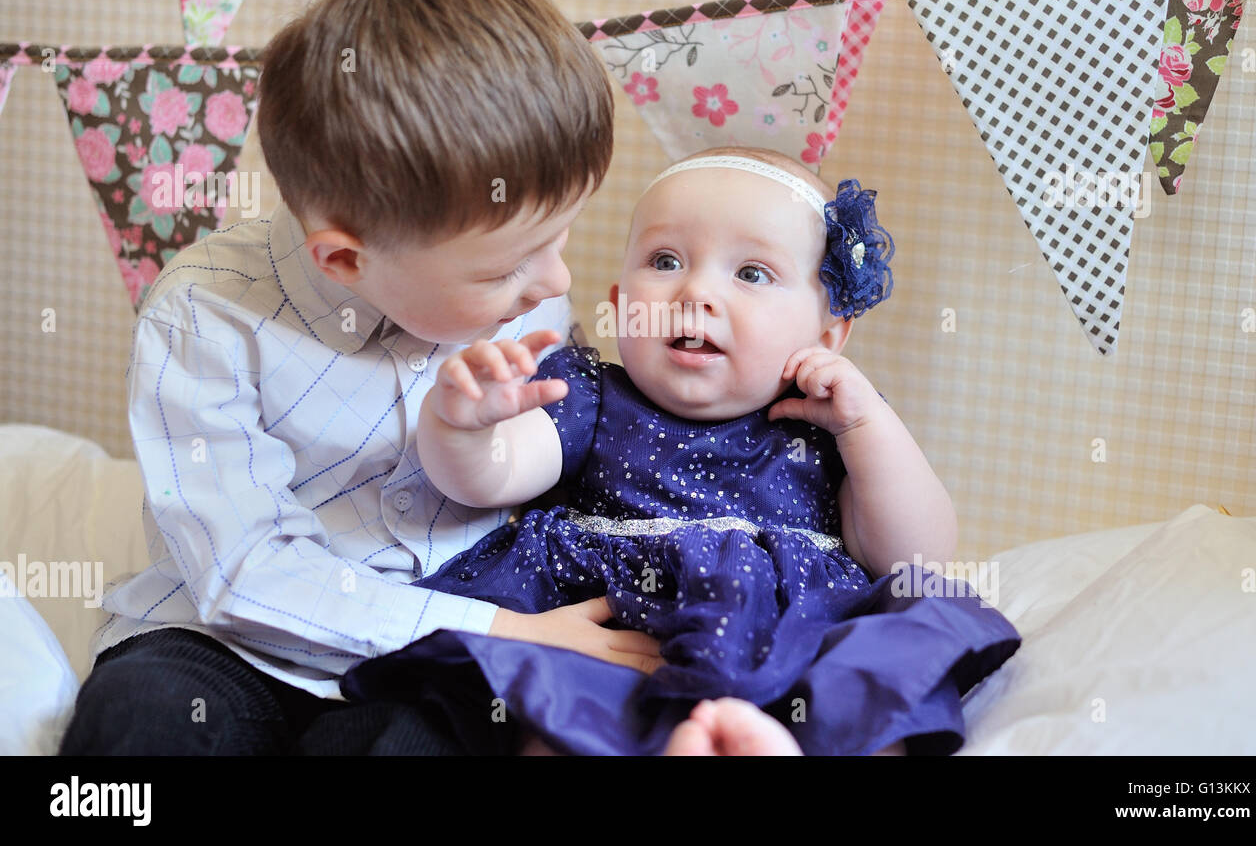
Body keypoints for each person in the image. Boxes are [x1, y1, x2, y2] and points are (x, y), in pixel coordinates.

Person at [57, 0, 629, 755]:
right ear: (347, 258)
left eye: (561, 236)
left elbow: (560, 463)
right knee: (141, 716)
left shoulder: (527, 299)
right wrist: (497, 627)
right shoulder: (204, 312)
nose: (553, 280)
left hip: (437, 634)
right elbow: (244, 571)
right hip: (228, 641)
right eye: (508, 266)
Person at [340, 146, 1023, 756]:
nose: (696, 292)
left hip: (786, 638)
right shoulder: (588, 392)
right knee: (551, 706)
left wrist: (868, 425)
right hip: (617, 631)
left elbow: (914, 556)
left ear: (828, 334)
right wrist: (462, 427)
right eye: (665, 262)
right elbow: (490, 478)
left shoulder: (828, 426)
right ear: (619, 303)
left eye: (752, 273)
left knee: (872, 687)